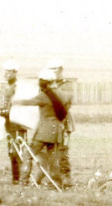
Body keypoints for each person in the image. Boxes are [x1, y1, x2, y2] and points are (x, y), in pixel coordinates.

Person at [13, 68, 66, 187]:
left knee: (28, 154)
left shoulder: (44, 95)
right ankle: (56, 184)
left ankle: (23, 182)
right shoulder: (60, 94)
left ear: (44, 81)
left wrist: (16, 101)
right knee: (53, 159)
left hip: (44, 132)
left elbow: (30, 102)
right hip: (56, 132)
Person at [0, 60, 28, 184]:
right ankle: (15, 178)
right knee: (11, 151)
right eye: (6, 71)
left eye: (10, 72)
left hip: (18, 123)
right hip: (9, 123)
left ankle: (22, 178)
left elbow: (17, 105)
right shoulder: (8, 86)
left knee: (18, 151)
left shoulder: (18, 86)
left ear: (15, 73)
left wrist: (5, 111)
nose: (7, 74)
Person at [48, 57, 75, 188]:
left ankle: (66, 178)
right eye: (51, 70)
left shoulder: (66, 85)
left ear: (61, 70)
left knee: (63, 151)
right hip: (50, 121)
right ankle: (53, 178)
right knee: (51, 151)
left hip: (63, 122)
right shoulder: (47, 85)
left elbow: (65, 102)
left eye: (56, 70)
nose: (53, 73)